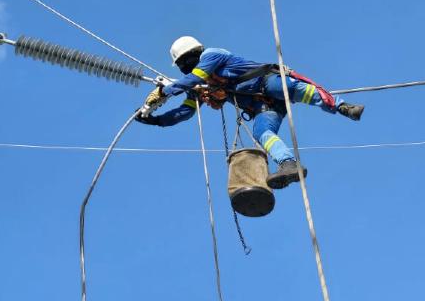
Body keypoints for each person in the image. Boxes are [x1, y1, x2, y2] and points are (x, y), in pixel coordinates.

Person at [136, 35, 364, 189]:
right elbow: (185, 112)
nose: (185, 70)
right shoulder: (199, 85)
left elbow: (192, 78)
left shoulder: (211, 56)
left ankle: (340, 106)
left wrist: (165, 90)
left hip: (266, 82)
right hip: (263, 107)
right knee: (261, 133)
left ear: (191, 55)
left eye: (184, 64)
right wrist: (156, 120)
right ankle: (289, 164)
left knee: (288, 89)